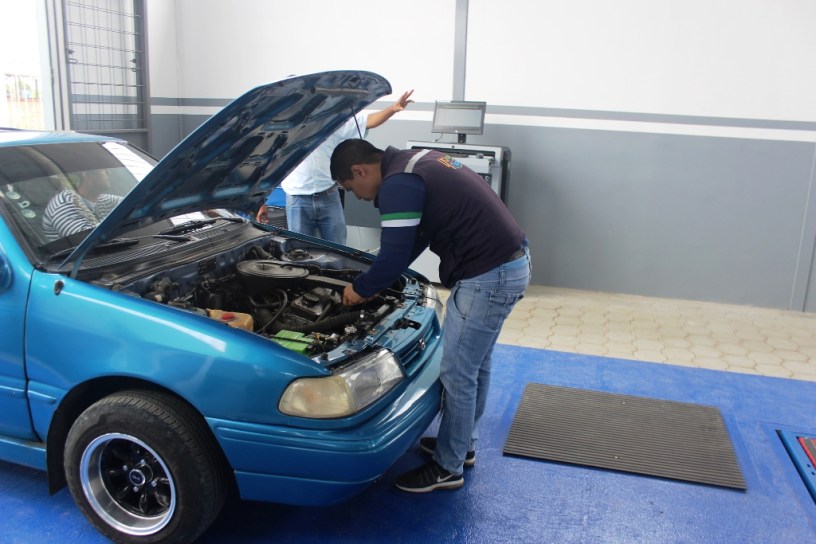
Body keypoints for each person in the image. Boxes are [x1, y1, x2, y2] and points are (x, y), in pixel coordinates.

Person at [330, 139, 531, 493]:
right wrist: (383, 276)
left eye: (351, 188)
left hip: (488, 276)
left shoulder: (398, 184)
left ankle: (447, 468)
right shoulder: (414, 163)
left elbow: (393, 255)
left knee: (457, 371)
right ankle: (462, 446)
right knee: (475, 365)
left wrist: (361, 288)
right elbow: (417, 238)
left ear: (359, 170)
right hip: (508, 265)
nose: (358, 197)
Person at [255, 89, 415, 244]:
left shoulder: (330, 120)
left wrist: (393, 109)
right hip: (298, 199)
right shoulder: (281, 129)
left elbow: (368, 121)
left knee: (338, 249)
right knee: (299, 252)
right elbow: (266, 166)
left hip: (328, 195)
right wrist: (260, 202)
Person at [42, 169, 124, 240]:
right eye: (102, 170)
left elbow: (131, 204)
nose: (109, 172)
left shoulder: (104, 199)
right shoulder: (63, 204)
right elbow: (85, 241)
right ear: (87, 175)